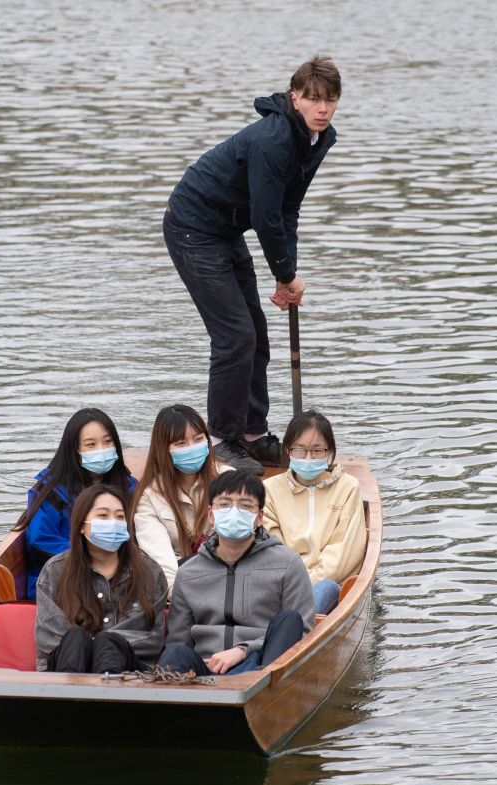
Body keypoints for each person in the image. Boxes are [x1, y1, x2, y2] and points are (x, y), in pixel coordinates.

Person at [163, 55, 341, 475]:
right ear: (294, 97)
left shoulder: (317, 138)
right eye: (313, 99)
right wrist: (285, 273)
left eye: (330, 100)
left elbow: (287, 209)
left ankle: (253, 434)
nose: (322, 108)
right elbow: (265, 217)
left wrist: (288, 274)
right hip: (192, 227)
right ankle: (224, 440)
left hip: (225, 230)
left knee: (256, 332)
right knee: (234, 336)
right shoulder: (274, 140)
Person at [158, 469, 314, 677]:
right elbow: (179, 639)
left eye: (245, 506)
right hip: (206, 666)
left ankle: (260, 695)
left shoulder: (287, 563)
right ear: (211, 515)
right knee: (175, 652)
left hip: (261, 663)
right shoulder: (188, 572)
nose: (233, 511)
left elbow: (302, 632)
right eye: (224, 504)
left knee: (290, 619)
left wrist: (243, 650)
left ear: (259, 518)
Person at [35, 484, 167, 673]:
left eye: (120, 517)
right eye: (103, 516)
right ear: (81, 525)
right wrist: (90, 644)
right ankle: (66, 700)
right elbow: (48, 636)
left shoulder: (149, 571)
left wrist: (102, 643)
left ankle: (108, 699)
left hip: (129, 670)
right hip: (65, 667)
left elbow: (152, 638)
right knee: (76, 638)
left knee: (109, 643)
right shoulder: (55, 570)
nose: (113, 522)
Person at [15, 408, 137, 599]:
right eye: (91, 444)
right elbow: (41, 541)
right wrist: (93, 557)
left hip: (121, 574)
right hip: (65, 579)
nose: (101, 450)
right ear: (74, 450)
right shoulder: (50, 492)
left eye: (107, 442)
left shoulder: (129, 488)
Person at [262, 409, 366, 615]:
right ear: (288, 451)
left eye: (317, 451)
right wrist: (290, 583)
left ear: (329, 452)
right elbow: (272, 547)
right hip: (283, 585)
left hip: (327, 585)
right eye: (300, 450)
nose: (308, 458)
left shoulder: (348, 487)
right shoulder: (270, 489)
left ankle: (289, 631)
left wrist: (306, 583)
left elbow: (344, 553)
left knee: (326, 588)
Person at [132, 403, 232, 597]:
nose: (192, 448)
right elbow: (161, 561)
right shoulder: (149, 497)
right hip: (179, 582)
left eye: (198, 439)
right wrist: (184, 597)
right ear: (164, 449)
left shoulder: (228, 480)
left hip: (226, 574)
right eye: (180, 443)